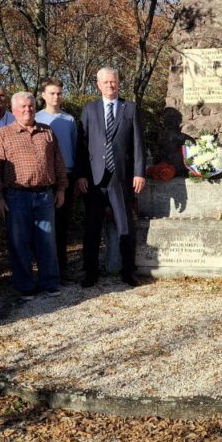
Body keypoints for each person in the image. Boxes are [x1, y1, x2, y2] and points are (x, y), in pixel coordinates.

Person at [0, 92, 68, 299]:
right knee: (19, 242)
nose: (28, 110)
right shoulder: (4, 134)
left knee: (47, 241)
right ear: (14, 110)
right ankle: (25, 285)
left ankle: (49, 282)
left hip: (45, 196)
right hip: (16, 196)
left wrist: (61, 189)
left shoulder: (47, 131)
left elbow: (58, 162)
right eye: (23, 106)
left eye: (31, 106)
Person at [76, 67, 146, 287]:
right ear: (98, 85)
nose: (110, 85)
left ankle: (128, 271)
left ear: (118, 82)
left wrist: (139, 172)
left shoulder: (130, 108)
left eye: (113, 81)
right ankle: (90, 273)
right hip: (94, 179)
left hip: (121, 177)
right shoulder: (89, 109)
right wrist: (80, 175)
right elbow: (81, 145)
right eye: (105, 82)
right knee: (92, 228)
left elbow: (138, 143)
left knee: (125, 226)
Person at [36, 78, 78, 281]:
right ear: (43, 95)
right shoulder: (36, 118)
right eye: (52, 93)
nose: (56, 97)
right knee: (44, 227)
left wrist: (76, 177)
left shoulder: (69, 120)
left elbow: (75, 147)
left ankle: (61, 270)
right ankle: (44, 270)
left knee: (61, 226)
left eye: (59, 93)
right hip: (45, 178)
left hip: (66, 176)